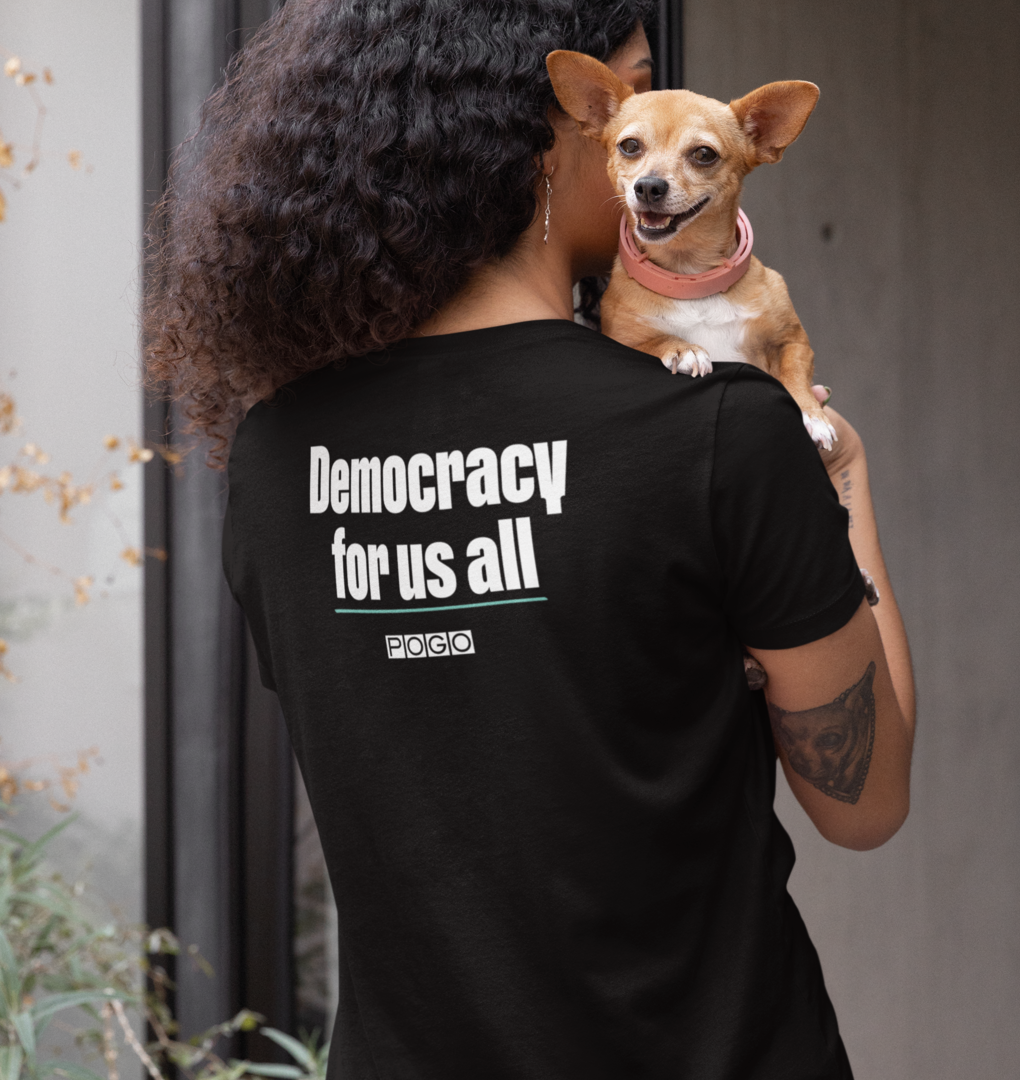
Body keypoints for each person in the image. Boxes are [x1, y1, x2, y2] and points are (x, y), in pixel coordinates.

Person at [144, 1, 916, 1077]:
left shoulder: (278, 458)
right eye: (627, 98)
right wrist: (842, 466)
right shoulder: (721, 434)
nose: (648, 130)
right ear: (550, 138)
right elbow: (865, 799)